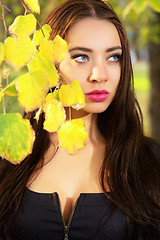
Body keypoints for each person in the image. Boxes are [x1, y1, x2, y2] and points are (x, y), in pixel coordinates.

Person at [0, 0, 160, 239]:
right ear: (50, 63)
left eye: (114, 57)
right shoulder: (9, 153)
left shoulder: (149, 159)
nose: (100, 75)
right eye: (81, 57)